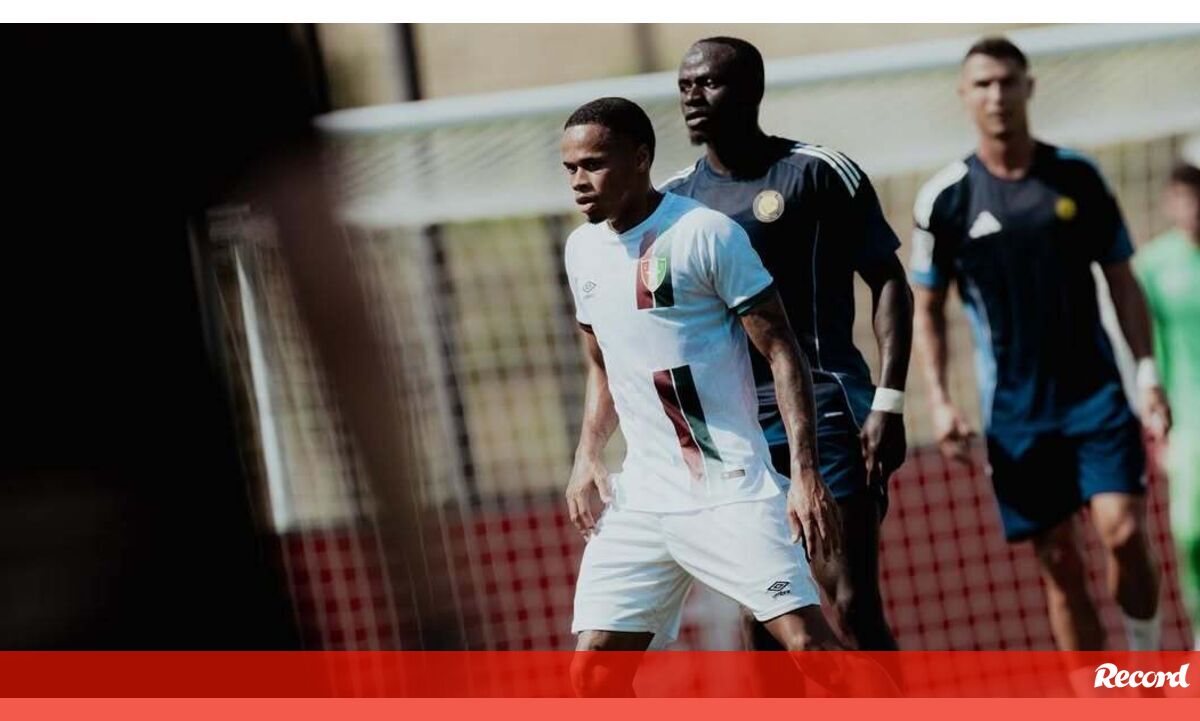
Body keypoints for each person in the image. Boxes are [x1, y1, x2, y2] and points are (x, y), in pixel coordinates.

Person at [560, 96, 854, 694]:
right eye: (570, 169)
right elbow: (602, 364)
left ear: (640, 158)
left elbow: (782, 352)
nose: (579, 181)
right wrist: (587, 454)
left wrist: (805, 474)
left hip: (729, 489)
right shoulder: (581, 250)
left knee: (812, 649)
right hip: (644, 494)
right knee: (594, 672)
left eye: (593, 164)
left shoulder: (704, 233)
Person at [910, 37, 1171, 651]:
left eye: (1007, 81)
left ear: (1029, 87)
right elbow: (927, 307)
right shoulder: (945, 198)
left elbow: (1122, 279)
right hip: (1015, 413)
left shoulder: (1077, 176)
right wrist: (940, 400)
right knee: (1059, 561)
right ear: (964, 95)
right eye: (983, 84)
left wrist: (1146, 371)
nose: (996, 95)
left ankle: (1144, 668)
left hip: (1096, 396)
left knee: (1123, 532)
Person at [663, 37, 912, 652]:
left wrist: (889, 401)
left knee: (849, 602)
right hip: (736, 432)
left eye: (708, 83)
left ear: (751, 90)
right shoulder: (674, 202)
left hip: (827, 411)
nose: (693, 97)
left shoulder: (817, 172)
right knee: (766, 619)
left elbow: (888, 281)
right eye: (685, 85)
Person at [1133, 162, 1200, 650]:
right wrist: (1156, 420)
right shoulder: (1153, 266)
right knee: (1191, 531)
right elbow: (1146, 349)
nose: (1191, 207)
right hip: (1188, 419)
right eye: (1182, 197)